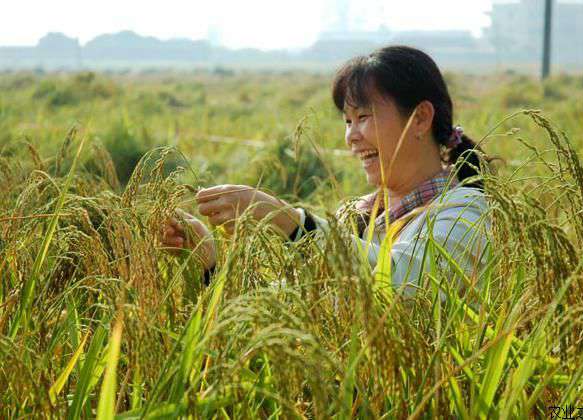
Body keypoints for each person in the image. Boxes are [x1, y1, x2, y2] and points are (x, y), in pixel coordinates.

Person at [161, 45, 491, 294]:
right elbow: (289, 308)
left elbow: (403, 284)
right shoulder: (357, 215)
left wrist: (291, 223)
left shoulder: (466, 213)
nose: (352, 136)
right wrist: (209, 262)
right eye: (348, 121)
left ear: (420, 118)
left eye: (364, 117)